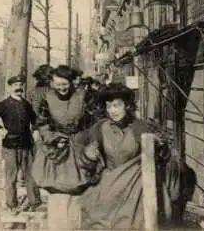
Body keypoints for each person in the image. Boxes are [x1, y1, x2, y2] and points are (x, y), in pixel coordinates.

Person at [79, 83, 195, 229]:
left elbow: (163, 160)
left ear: (127, 105)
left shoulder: (141, 127)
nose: (112, 111)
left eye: (116, 105)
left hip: (136, 189)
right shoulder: (99, 129)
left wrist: (160, 147)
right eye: (108, 106)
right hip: (108, 188)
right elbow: (86, 165)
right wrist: (88, 157)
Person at [34, 65, 99, 230]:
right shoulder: (46, 98)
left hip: (79, 146)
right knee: (57, 191)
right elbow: (42, 123)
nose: (62, 88)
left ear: (71, 82)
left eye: (65, 84)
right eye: (58, 84)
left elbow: (96, 121)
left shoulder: (85, 96)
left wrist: (88, 140)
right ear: (52, 83)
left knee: (78, 190)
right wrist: (52, 138)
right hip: (57, 148)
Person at [0, 75, 42, 214]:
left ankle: (35, 202)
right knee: (11, 177)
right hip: (10, 146)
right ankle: (12, 205)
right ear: (9, 88)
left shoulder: (26, 104)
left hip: (27, 145)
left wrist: (37, 130)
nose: (18, 88)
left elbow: (35, 120)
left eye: (20, 85)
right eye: (15, 86)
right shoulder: (4, 104)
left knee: (31, 175)